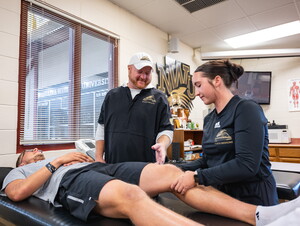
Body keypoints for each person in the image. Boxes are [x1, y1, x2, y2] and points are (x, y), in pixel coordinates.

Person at [2, 150, 300, 226]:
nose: (37, 150)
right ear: (21, 160)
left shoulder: (57, 159)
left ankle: (261, 216)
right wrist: (58, 162)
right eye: (31, 152)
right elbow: (17, 194)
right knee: (131, 195)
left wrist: (84, 158)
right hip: (70, 183)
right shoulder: (19, 170)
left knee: (172, 173)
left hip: (99, 166)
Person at [171, 59, 278, 206]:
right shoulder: (209, 119)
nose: (196, 93)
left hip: (253, 196)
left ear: (216, 80)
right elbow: (208, 160)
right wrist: (176, 168)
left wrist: (197, 177)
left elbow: (246, 165)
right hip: (223, 195)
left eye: (198, 85)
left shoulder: (246, 109)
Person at [95, 52, 173, 164]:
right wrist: (98, 157)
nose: (143, 77)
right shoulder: (112, 96)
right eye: (140, 72)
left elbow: (166, 129)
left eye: (147, 73)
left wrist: (162, 144)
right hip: (113, 165)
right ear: (129, 68)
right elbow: (102, 126)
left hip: (146, 168)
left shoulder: (159, 98)